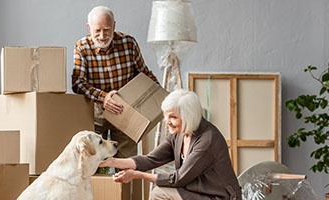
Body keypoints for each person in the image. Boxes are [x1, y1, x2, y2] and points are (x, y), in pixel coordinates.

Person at [99, 89, 242, 200]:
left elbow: (178, 179)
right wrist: (111, 162)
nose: (167, 121)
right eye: (166, 116)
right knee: (161, 192)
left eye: (173, 117)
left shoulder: (207, 141)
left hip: (219, 197)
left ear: (188, 117)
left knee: (160, 193)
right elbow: (150, 160)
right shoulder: (179, 134)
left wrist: (137, 175)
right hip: (199, 193)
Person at [72, 6, 158, 158]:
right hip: (96, 110)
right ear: (89, 27)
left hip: (125, 109)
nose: (102, 35)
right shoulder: (82, 47)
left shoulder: (128, 43)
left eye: (107, 29)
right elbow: (77, 83)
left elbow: (144, 74)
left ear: (114, 26)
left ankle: (125, 182)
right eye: (97, 30)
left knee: (127, 161)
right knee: (92, 159)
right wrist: (104, 97)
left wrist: (161, 96)